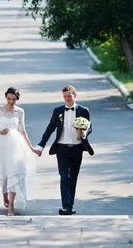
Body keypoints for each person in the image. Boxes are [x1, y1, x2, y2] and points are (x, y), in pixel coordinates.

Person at [34, 85, 94, 216]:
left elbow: (89, 126)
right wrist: (40, 146)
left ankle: (70, 205)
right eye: (65, 96)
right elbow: (50, 128)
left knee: (73, 178)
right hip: (61, 148)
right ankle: (66, 207)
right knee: (64, 177)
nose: (67, 98)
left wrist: (84, 132)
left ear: (74, 95)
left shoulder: (84, 110)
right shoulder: (58, 111)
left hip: (77, 148)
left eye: (69, 96)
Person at [0, 87, 39, 216]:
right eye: (9, 99)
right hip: (1, 143)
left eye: (13, 99)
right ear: (6, 98)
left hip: (15, 144)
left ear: (17, 99)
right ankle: (4, 195)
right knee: (2, 171)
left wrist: (31, 147)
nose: (11, 101)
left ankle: (11, 206)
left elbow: (23, 130)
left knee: (13, 172)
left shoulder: (20, 112)